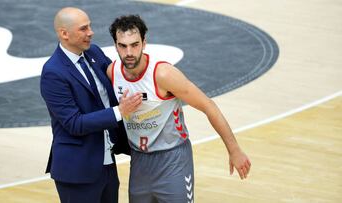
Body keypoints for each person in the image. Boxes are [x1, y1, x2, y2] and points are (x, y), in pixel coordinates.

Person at [106, 15, 252, 203]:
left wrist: (234, 150)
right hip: (139, 161)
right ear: (115, 45)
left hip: (172, 159)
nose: (129, 52)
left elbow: (208, 106)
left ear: (144, 42)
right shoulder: (113, 72)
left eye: (134, 44)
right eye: (123, 46)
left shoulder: (163, 74)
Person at [40, 7, 142, 203]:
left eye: (90, 26)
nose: (91, 32)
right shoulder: (53, 73)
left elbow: (119, 77)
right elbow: (74, 123)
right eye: (83, 29)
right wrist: (119, 111)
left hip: (105, 162)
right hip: (77, 170)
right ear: (64, 33)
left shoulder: (93, 52)